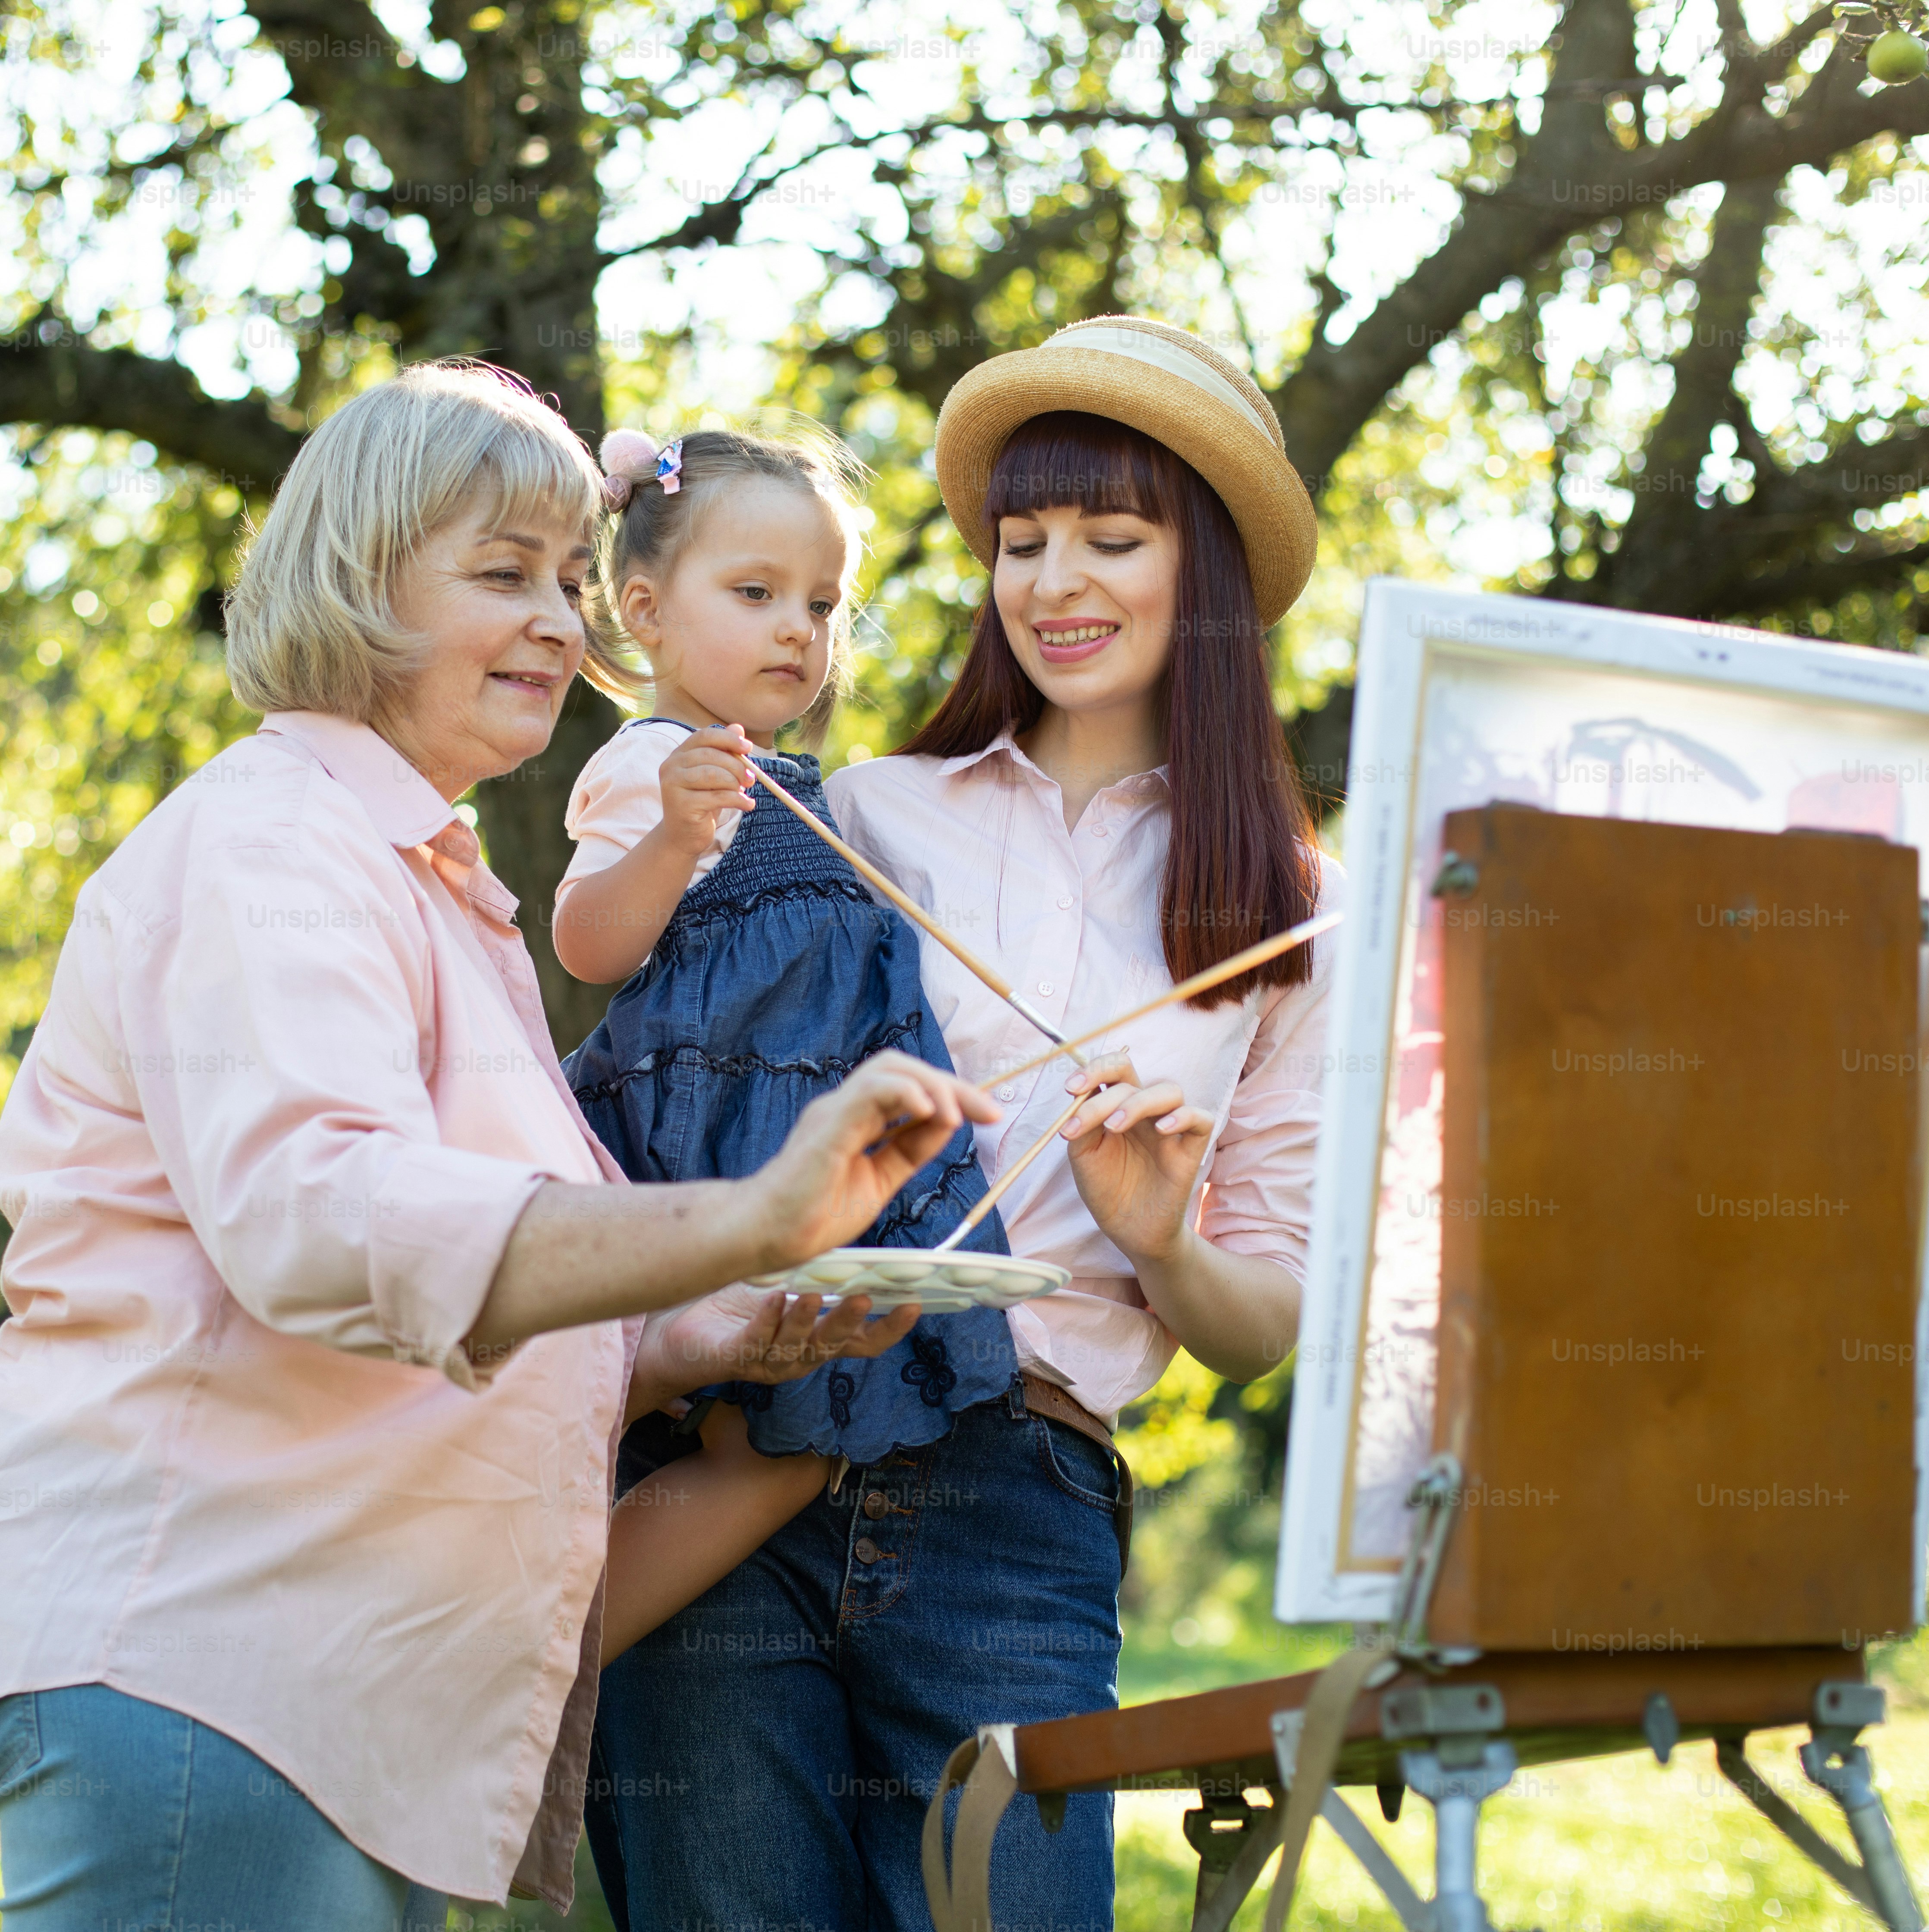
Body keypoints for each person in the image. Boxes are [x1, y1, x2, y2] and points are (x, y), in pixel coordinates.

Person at [0, 359, 1001, 1932]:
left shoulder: (437, 888)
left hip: (343, 1689)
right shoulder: (274, 845)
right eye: (504, 576)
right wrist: (748, 1216)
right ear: (358, 580)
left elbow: (482, 1296)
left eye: (568, 578)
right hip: (212, 1656)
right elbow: (326, 1221)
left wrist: (716, 1339)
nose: (562, 620)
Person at [591, 317, 1348, 1932]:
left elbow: (1264, 1318)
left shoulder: (1299, 920)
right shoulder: (854, 813)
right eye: (1023, 543)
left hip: (1019, 1499)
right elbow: (645, 1071)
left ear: (1201, 574)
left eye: (1112, 539)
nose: (1054, 581)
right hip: (751, 1439)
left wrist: (1160, 1237)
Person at [549, 425, 1020, 1663]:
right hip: (709, 1149)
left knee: (777, 1446)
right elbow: (587, 943)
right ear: (644, 608)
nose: (797, 631)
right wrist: (665, 837)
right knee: (755, 1445)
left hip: (795, 1149)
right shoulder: (656, 765)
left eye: (820, 603)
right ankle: (536, 1658)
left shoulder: (803, 781)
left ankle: (541, 1655)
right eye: (754, 595)